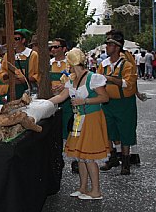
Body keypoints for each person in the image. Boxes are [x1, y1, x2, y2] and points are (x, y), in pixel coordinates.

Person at [47, 48, 110, 200]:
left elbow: (105, 98)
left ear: (72, 63)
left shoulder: (93, 78)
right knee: (80, 156)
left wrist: (85, 100)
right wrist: (42, 103)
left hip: (92, 118)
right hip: (79, 118)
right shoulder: (72, 80)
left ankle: (96, 191)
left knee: (88, 156)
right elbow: (61, 97)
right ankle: (83, 187)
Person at [97, 30, 138, 175]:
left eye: (109, 45)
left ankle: (125, 162)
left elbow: (128, 83)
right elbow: (98, 81)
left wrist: (110, 78)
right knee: (108, 131)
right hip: (108, 103)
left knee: (125, 131)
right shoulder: (104, 64)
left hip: (125, 103)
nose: (107, 47)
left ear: (117, 47)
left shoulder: (127, 65)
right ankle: (112, 157)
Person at [49, 38, 77, 173]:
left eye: (56, 47)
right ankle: (57, 159)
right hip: (54, 100)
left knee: (71, 129)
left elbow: (76, 80)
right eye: (52, 48)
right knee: (56, 130)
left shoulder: (70, 64)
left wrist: (65, 86)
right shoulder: (49, 63)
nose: (53, 50)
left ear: (64, 49)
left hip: (69, 101)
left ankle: (75, 159)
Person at [0, 29, 39, 99]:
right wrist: (8, 76)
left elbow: (38, 74)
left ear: (23, 40)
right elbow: (2, 71)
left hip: (28, 91)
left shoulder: (33, 55)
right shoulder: (8, 55)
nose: (14, 41)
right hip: (12, 91)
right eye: (12, 39)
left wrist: (26, 79)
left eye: (17, 39)